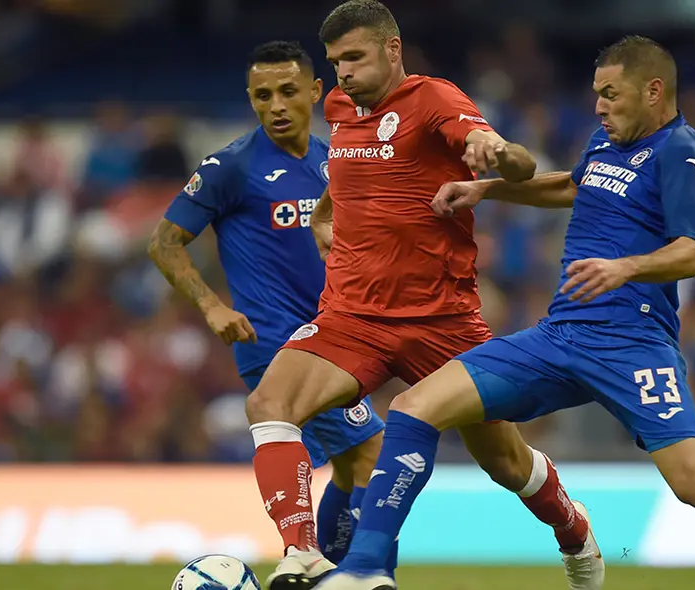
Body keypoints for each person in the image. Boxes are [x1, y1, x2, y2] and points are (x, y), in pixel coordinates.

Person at [315, 35, 695, 590]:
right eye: (597, 93)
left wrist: (624, 268)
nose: (599, 106)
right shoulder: (607, 142)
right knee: (414, 407)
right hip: (560, 336)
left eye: (611, 94)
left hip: (633, 344)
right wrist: (487, 190)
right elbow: (572, 187)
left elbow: (691, 253)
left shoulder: (684, 153)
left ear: (653, 91)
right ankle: (368, 567)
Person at [243, 2, 602, 589]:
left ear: (392, 49)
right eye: (335, 62)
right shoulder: (338, 109)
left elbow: (518, 162)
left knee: (506, 463)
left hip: (443, 322)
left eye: (355, 57)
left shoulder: (434, 99)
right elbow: (347, 171)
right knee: (269, 404)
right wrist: (324, 214)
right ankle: (303, 553)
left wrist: (494, 151)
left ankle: (572, 525)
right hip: (352, 317)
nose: (344, 74)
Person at [146, 41, 387, 588]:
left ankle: (319, 565)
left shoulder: (335, 160)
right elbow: (163, 242)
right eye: (262, 95)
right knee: (369, 452)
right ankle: (314, 559)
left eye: (287, 91)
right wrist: (211, 305)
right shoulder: (230, 166)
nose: (275, 105)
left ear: (315, 92)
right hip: (275, 339)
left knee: (354, 463)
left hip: (334, 339)